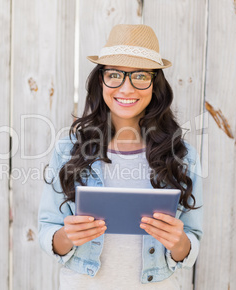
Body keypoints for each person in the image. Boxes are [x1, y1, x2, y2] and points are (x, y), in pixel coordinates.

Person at [38, 24, 203, 289]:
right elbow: (48, 230)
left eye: (140, 76)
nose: (126, 89)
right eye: (114, 74)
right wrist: (68, 236)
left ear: (155, 84)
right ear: (100, 80)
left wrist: (179, 241)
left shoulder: (183, 156)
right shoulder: (67, 150)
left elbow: (191, 240)